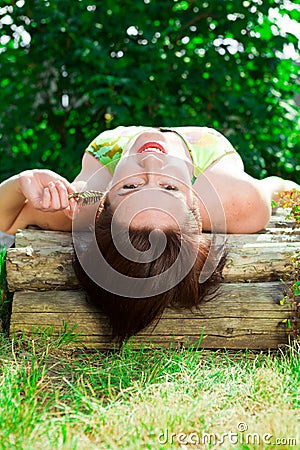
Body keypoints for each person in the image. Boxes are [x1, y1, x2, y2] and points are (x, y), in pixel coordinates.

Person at [0, 126, 299, 342]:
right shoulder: (239, 202)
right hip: (204, 151)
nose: (152, 163)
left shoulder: (82, 206)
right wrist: (278, 189)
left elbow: (6, 219)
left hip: (114, 149)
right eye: (169, 189)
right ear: (194, 203)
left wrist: (23, 180)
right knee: (261, 193)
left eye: (130, 187)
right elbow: (274, 191)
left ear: (104, 202)